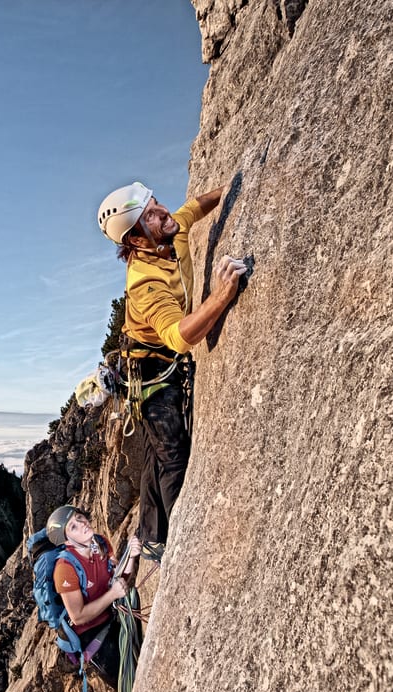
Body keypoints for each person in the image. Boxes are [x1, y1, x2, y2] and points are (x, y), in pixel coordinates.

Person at [97, 181, 246, 553]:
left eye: (156, 203)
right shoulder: (145, 283)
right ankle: (181, 546)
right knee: (172, 454)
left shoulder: (168, 233)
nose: (163, 212)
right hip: (150, 374)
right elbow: (178, 337)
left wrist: (230, 187)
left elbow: (194, 208)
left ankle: (150, 535)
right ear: (135, 239)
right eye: (149, 214)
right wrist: (222, 295)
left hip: (151, 362)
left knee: (154, 452)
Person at [46, 505, 141, 689]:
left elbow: (119, 581)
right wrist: (112, 594)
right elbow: (78, 616)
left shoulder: (101, 544)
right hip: (92, 635)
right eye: (73, 526)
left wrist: (131, 556)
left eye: (79, 517)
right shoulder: (65, 568)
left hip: (111, 617)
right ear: (67, 541)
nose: (82, 524)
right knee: (128, 684)